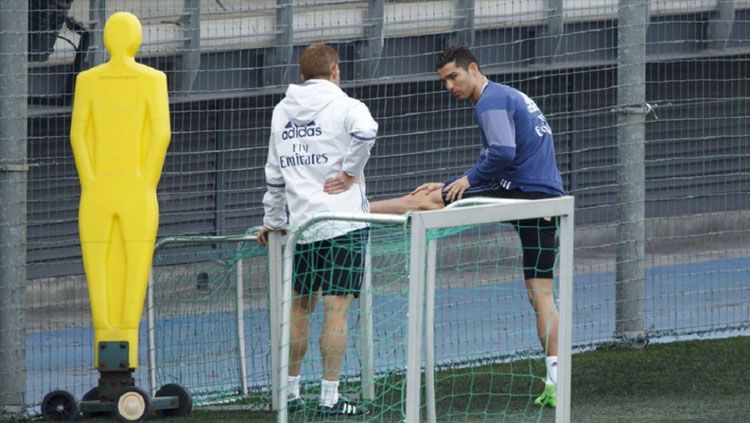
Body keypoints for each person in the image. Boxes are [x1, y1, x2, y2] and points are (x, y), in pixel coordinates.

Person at [370, 45, 564, 408]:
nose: (448, 86)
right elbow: (504, 156)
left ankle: (357, 209)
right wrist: (458, 182)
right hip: (545, 199)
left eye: (453, 77)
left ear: (473, 69)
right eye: (444, 80)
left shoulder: (489, 101)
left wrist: (465, 181)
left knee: (425, 201)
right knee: (541, 295)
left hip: (521, 194)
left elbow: (503, 153)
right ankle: (556, 383)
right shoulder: (508, 95)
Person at [257, 43, 377, 416]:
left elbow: (275, 178)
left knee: (299, 309)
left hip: (302, 228)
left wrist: (274, 223)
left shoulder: (281, 112)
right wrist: (350, 172)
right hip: (343, 223)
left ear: (302, 74)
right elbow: (367, 133)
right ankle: (329, 397)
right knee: (336, 310)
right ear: (336, 71)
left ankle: (289, 393)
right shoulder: (348, 106)